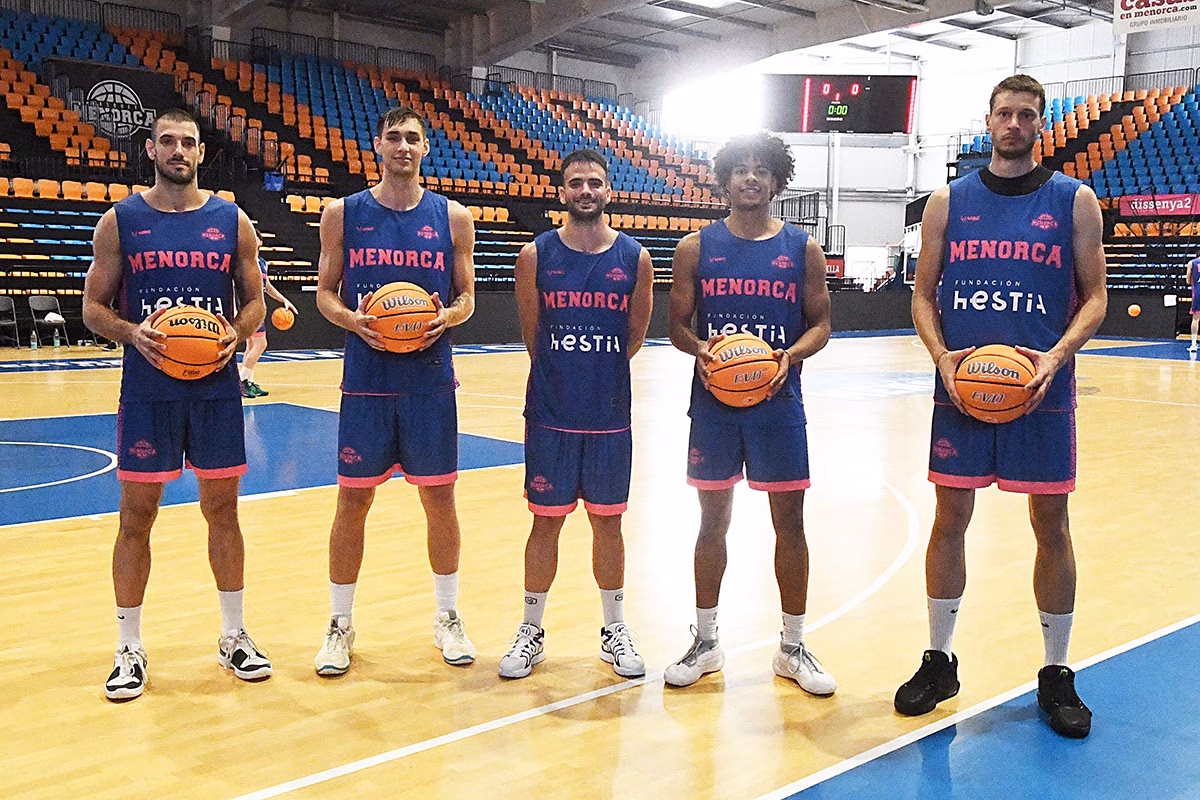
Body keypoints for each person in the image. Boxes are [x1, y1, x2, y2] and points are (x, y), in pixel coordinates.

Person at [896, 74, 1107, 739]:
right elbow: (923, 296)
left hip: (1039, 387)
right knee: (948, 519)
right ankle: (939, 660)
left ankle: (1056, 671)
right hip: (964, 386)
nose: (1014, 123)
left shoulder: (1074, 201)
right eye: (1004, 113)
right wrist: (940, 357)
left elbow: (1096, 296)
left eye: (1026, 115)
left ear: (1040, 125)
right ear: (988, 122)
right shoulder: (946, 203)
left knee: (1053, 525)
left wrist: (1055, 356)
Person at [82, 108, 271, 702]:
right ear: (151, 150)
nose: (178, 150)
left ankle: (234, 635)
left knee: (223, 511)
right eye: (167, 141)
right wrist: (133, 333)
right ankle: (128, 646)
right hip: (149, 388)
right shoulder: (120, 222)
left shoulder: (231, 219)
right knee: (136, 516)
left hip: (214, 388)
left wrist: (233, 338)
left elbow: (256, 305)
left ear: (200, 153)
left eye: (188, 142)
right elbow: (92, 308)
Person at [664, 131, 835, 695]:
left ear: (777, 181)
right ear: (726, 178)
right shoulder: (695, 247)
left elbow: (821, 325)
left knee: (791, 525)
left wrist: (790, 354)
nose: (751, 178)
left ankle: (792, 646)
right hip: (714, 405)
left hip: (778, 403)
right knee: (712, 523)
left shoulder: (801, 248)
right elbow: (677, 327)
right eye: (741, 169)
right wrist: (702, 350)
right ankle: (707, 641)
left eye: (762, 170)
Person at [312, 106, 477, 675]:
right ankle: (339, 625)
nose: (403, 146)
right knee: (352, 502)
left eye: (413, 138)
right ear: (376, 146)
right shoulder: (344, 213)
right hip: (367, 382)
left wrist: (449, 318)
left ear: (426, 148)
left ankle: (448, 617)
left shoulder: (453, 217)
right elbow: (325, 294)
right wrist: (354, 323)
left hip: (430, 380)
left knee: (440, 501)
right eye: (394, 138)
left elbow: (467, 298)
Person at [498, 148, 654, 679]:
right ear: (561, 192)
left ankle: (613, 629)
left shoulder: (635, 258)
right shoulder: (535, 255)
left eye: (594, 182)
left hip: (609, 414)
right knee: (545, 525)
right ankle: (531, 629)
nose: (585, 191)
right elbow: (531, 335)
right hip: (550, 412)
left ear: (608, 191)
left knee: (608, 526)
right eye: (575, 183)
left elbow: (634, 336)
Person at [239, 228, 298, 398]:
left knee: (251, 345)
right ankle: (242, 381)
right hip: (248, 306)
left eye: (255, 237)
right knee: (260, 344)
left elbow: (268, 286)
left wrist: (283, 300)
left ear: (260, 241)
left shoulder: (262, 262)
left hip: (258, 307)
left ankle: (248, 380)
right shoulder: (244, 261)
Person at [1187, 253, 1199, 352]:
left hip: (1198, 293)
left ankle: (1193, 344)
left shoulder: (1192, 263)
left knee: (1195, 319)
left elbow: (1187, 280)